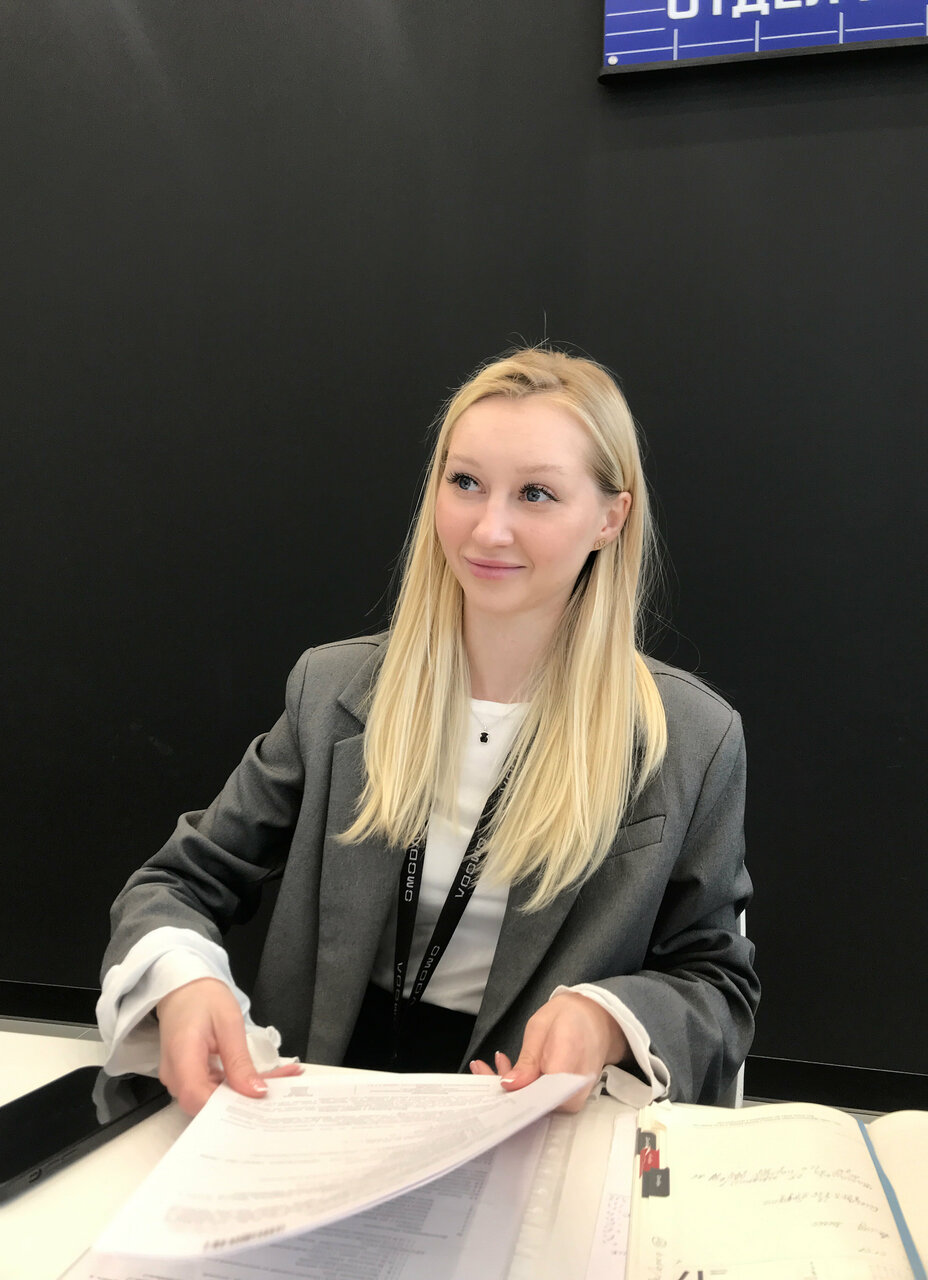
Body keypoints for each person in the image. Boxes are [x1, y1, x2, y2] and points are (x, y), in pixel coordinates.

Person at [98, 347, 758, 1117]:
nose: (489, 528)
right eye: (466, 482)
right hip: (319, 1099)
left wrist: (610, 1020)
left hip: (520, 1116)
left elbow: (718, 985)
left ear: (610, 519)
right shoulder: (332, 691)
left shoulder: (691, 740)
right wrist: (182, 978)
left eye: (536, 493)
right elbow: (176, 884)